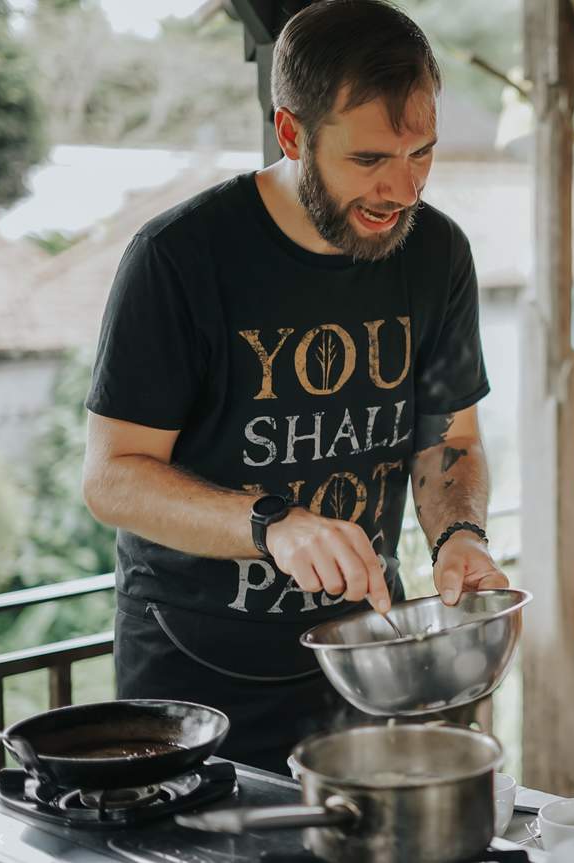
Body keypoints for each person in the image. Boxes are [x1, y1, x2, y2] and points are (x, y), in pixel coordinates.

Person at [81, 0, 506, 774]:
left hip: (366, 662)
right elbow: (112, 478)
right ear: (290, 133)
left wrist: (459, 536)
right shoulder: (180, 257)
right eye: (369, 159)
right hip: (196, 684)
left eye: (422, 154)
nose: (402, 190)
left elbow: (451, 439)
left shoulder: (437, 252)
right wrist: (272, 522)